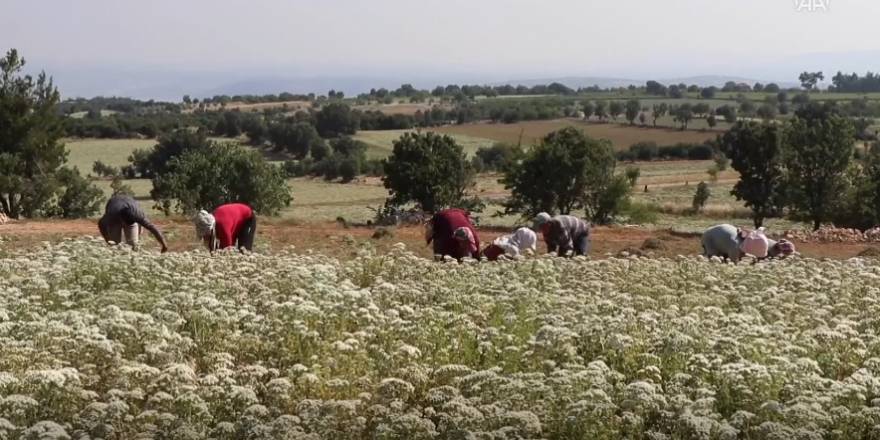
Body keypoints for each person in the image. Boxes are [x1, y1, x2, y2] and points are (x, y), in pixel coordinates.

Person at [98, 194, 168, 252]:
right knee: (114, 246)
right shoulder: (112, 215)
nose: (125, 225)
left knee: (134, 245)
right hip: (115, 211)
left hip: (130, 205)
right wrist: (107, 239)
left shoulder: (138, 215)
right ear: (121, 220)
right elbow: (101, 224)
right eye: (125, 223)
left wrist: (164, 245)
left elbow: (153, 228)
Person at [193, 203, 257, 252]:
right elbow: (213, 247)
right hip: (234, 222)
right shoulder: (213, 223)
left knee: (244, 250)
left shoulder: (223, 227)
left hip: (247, 218)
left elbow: (227, 251)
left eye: (206, 233)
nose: (205, 237)